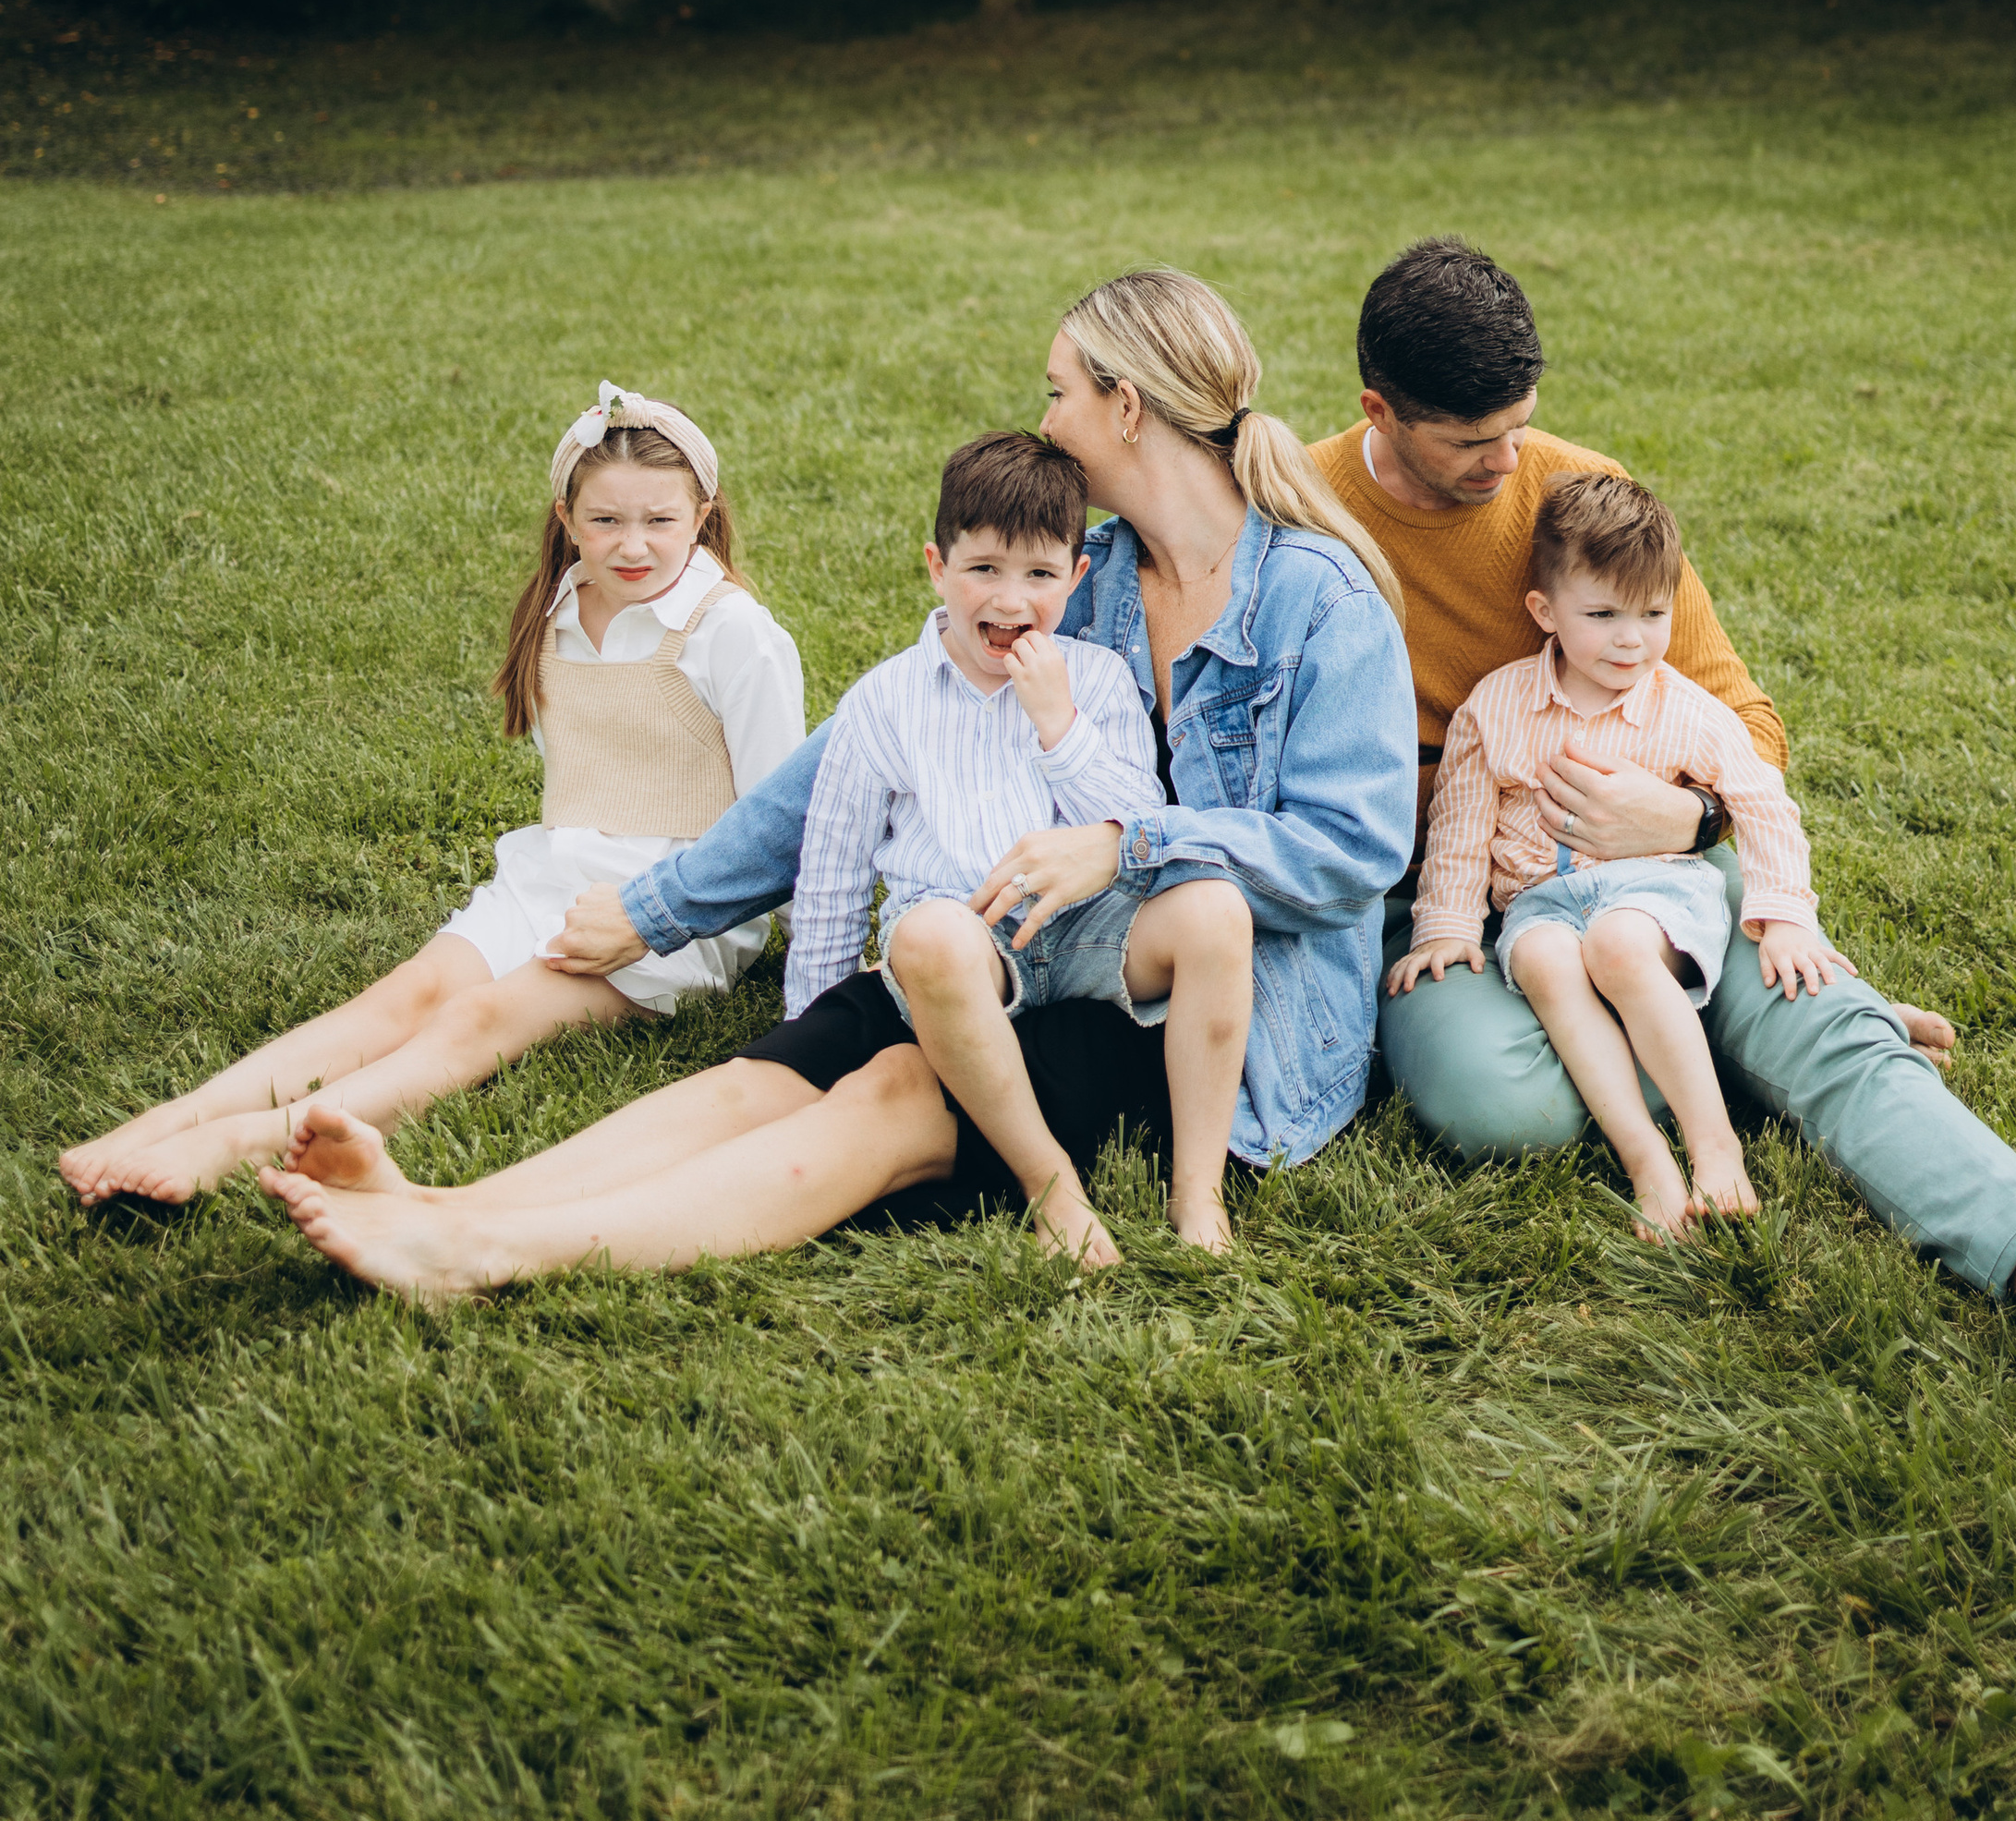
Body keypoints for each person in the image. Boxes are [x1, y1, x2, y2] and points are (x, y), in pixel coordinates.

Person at [260, 273, 1417, 1298]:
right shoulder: (1090, 574)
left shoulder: (1317, 599)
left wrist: (1126, 845)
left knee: (889, 1098)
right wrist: (664, 907)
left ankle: (481, 1253)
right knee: (760, 1080)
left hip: (1187, 1008)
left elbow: (1353, 851)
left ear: (1124, 406)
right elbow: (849, 757)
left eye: (1059, 391)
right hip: (1001, 932)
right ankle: (442, 1207)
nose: (1046, 418)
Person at [1320, 237, 2016, 1387]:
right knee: (1498, 1107)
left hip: (1651, 861)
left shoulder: (1573, 497)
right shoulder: (1305, 514)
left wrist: (1685, 823)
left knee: (1801, 1001)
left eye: (1519, 426)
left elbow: (1744, 723)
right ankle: (1740, 1040)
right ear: (1379, 410)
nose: (1507, 462)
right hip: (1452, 892)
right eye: (1472, 442)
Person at [59, 382, 801, 1208]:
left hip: (669, 906)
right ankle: (172, 1119)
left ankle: (243, 1140)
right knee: (405, 994)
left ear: (701, 516)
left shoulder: (734, 632)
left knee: (477, 1020)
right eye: (605, 520)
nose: (633, 545)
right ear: (566, 518)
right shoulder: (558, 610)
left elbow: (782, 817)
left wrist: (802, 960)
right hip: (554, 874)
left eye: (660, 519)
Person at [791, 428, 1255, 1262]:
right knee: (930, 936)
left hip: (1082, 932)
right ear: (937, 567)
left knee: (1216, 909)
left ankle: (1199, 1191)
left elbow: (1140, 829)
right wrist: (810, 1033)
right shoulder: (883, 703)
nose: (1011, 600)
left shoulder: (1096, 680)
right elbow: (833, 878)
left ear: (1075, 578)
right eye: (984, 569)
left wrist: (1059, 726)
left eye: (1040, 575)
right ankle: (1051, 1187)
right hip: (962, 944)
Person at [1390, 469, 1845, 1238]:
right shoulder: (1496, 707)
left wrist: (1787, 916)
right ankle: (1648, 1162)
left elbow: (1763, 804)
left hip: (1654, 888)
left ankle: (1715, 1148)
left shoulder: (1688, 710)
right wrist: (1446, 929)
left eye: (1653, 614)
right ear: (1545, 611)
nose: (1631, 639)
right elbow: (1461, 831)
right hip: (1540, 904)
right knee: (1545, 960)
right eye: (1602, 615)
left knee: (1618, 944)